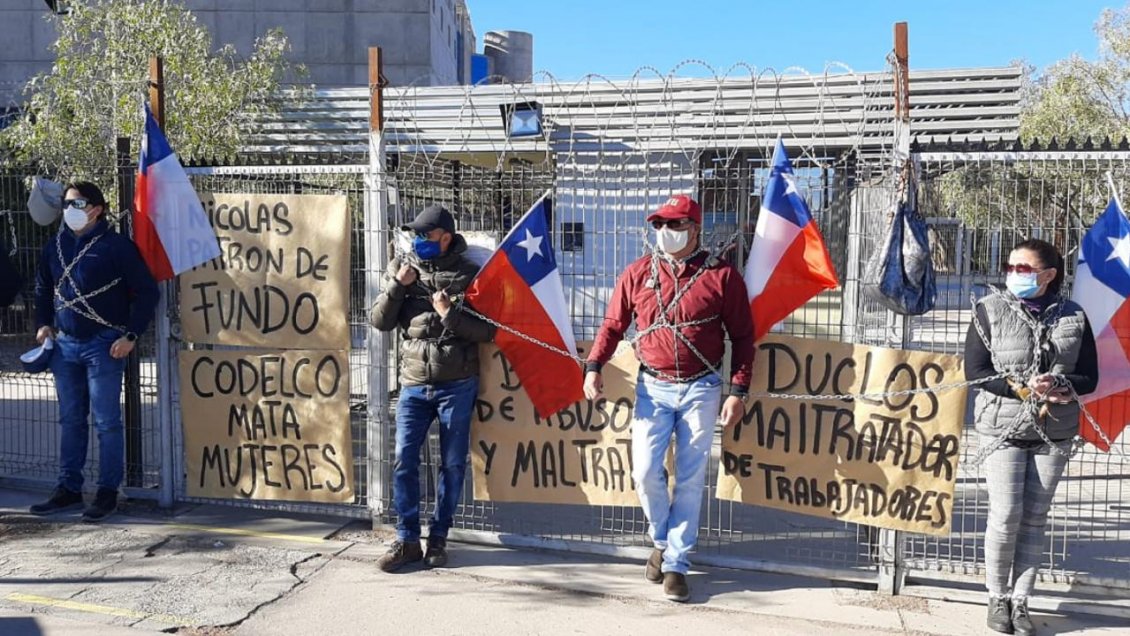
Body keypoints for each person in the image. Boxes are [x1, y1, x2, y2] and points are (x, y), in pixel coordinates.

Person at [583, 194, 754, 602]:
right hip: (652, 387)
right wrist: (593, 366)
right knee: (644, 471)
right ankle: (662, 540)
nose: (666, 233)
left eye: (676, 225)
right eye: (660, 225)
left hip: (702, 387)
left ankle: (676, 563)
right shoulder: (638, 273)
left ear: (695, 229)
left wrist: (739, 390)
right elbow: (612, 325)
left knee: (692, 479)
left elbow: (744, 337)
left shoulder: (723, 277)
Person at [964, 239, 1098, 636]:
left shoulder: (1074, 316)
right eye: (1011, 265)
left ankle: (1021, 601)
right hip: (1002, 429)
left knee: (1035, 518)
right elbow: (975, 369)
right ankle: (996, 596)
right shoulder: (988, 310)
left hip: (1053, 431)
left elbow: (1090, 377)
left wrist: (1059, 383)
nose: (1013, 273)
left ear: (1048, 275)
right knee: (1005, 515)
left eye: (1024, 268)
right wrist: (1022, 389)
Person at [370, 204, 495, 572]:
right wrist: (398, 286)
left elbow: (488, 331)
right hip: (413, 385)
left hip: (457, 384)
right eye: (416, 235)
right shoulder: (402, 269)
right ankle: (407, 539)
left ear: (445, 237)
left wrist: (448, 314)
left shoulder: (470, 274)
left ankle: (438, 537)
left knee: (452, 464)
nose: (419, 240)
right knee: (404, 460)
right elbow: (379, 321)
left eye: (426, 235)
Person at [29, 181, 159, 522]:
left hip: (104, 344)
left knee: (107, 423)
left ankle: (106, 492)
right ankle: (68, 489)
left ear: (97, 209)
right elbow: (42, 287)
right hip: (65, 345)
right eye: (67, 203)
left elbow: (147, 293)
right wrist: (43, 324)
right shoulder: (55, 245)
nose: (70, 209)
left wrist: (131, 335)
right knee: (71, 420)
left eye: (78, 203)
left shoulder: (116, 246)